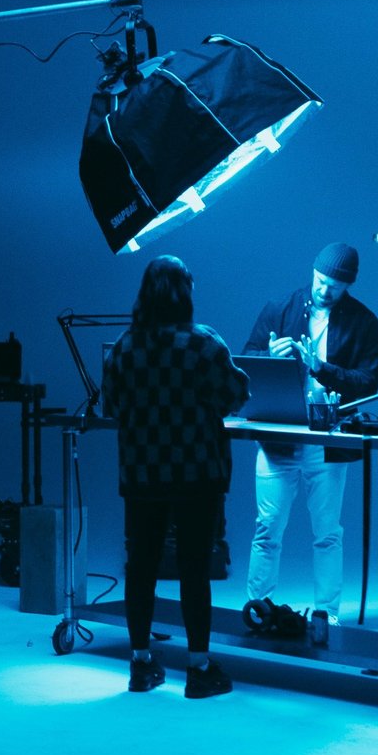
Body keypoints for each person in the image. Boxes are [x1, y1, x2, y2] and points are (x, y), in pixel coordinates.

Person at [102, 255, 251, 698]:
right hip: (196, 473)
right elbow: (234, 396)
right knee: (193, 569)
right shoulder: (205, 345)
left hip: (142, 474)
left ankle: (141, 663)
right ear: (186, 293)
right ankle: (199, 667)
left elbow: (111, 408)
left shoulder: (123, 348)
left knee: (141, 565)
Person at [240, 242, 378, 626]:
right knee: (267, 527)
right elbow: (243, 365)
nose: (325, 290)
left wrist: (320, 366)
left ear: (347, 285)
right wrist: (270, 356)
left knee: (327, 532)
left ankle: (328, 615)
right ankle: (258, 607)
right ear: (313, 272)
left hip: (326, 440)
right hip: (278, 435)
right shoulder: (279, 309)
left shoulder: (363, 321)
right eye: (321, 281)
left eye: (335, 285)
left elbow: (368, 382)